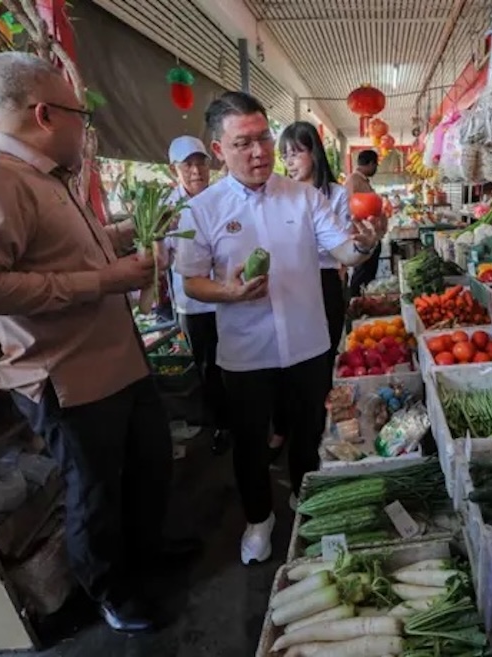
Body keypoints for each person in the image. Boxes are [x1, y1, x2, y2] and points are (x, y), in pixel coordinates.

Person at [0, 52, 194, 633]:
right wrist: (106, 280)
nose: (88, 130)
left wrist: (125, 236)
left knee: (147, 466)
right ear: (46, 113)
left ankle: (146, 554)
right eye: (83, 115)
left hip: (118, 362)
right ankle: (111, 591)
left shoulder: (44, 176)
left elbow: (63, 249)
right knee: (95, 493)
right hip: (68, 377)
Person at [174, 92, 385, 565]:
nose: (260, 152)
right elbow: (192, 283)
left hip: (309, 343)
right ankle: (258, 519)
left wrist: (367, 245)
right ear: (218, 150)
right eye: (244, 143)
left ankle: (305, 500)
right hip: (246, 352)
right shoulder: (202, 210)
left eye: (264, 139)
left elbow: (344, 252)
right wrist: (227, 294)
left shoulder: (305, 197)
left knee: (309, 431)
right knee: (250, 444)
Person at [269, 121, 351, 460]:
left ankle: (318, 424)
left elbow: (341, 245)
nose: (290, 161)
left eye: (296, 152)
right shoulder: (279, 195)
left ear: (313, 153)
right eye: (285, 155)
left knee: (323, 356)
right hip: (289, 283)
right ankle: (282, 425)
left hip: (325, 281)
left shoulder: (336, 194)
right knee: (284, 355)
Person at [163, 136, 230, 455]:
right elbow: (158, 257)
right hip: (193, 305)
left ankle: (249, 415)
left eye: (200, 162)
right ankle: (222, 424)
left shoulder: (224, 198)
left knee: (237, 359)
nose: (196, 170)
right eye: (187, 164)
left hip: (231, 297)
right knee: (208, 366)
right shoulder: (167, 210)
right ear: (173, 169)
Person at [345, 149, 383, 297]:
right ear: (371, 163)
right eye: (376, 165)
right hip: (361, 237)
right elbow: (350, 210)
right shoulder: (353, 181)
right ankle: (355, 304)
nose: (376, 169)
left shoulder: (361, 181)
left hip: (369, 236)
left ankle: (364, 301)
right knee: (361, 275)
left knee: (367, 274)